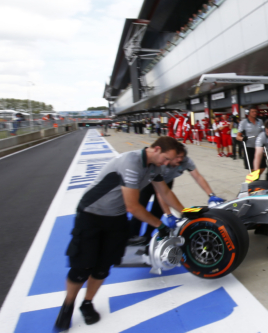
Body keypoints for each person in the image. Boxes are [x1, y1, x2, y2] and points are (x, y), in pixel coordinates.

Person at [55, 137, 187, 329]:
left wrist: (186, 213)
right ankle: (67, 306)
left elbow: (165, 192)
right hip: (91, 214)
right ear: (156, 149)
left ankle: (87, 303)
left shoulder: (155, 167)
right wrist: (160, 225)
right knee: (82, 267)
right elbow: (133, 206)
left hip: (115, 217)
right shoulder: (131, 162)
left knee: (103, 267)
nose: (167, 164)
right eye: (166, 159)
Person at [128, 147, 225, 242]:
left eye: (182, 157)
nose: (179, 159)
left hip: (166, 183)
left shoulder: (186, 161)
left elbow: (198, 177)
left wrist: (211, 195)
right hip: (149, 183)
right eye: (177, 157)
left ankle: (147, 237)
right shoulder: (162, 164)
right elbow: (160, 193)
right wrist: (169, 214)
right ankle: (132, 234)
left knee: (157, 212)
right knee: (140, 208)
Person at [237, 106, 265, 172]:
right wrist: (242, 138)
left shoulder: (260, 121)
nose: (255, 113)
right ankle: (254, 181)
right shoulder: (243, 122)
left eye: (255, 112)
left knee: (262, 167)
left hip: (259, 147)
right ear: (248, 113)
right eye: (252, 112)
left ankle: (255, 180)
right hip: (249, 147)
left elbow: (262, 132)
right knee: (252, 168)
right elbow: (237, 136)